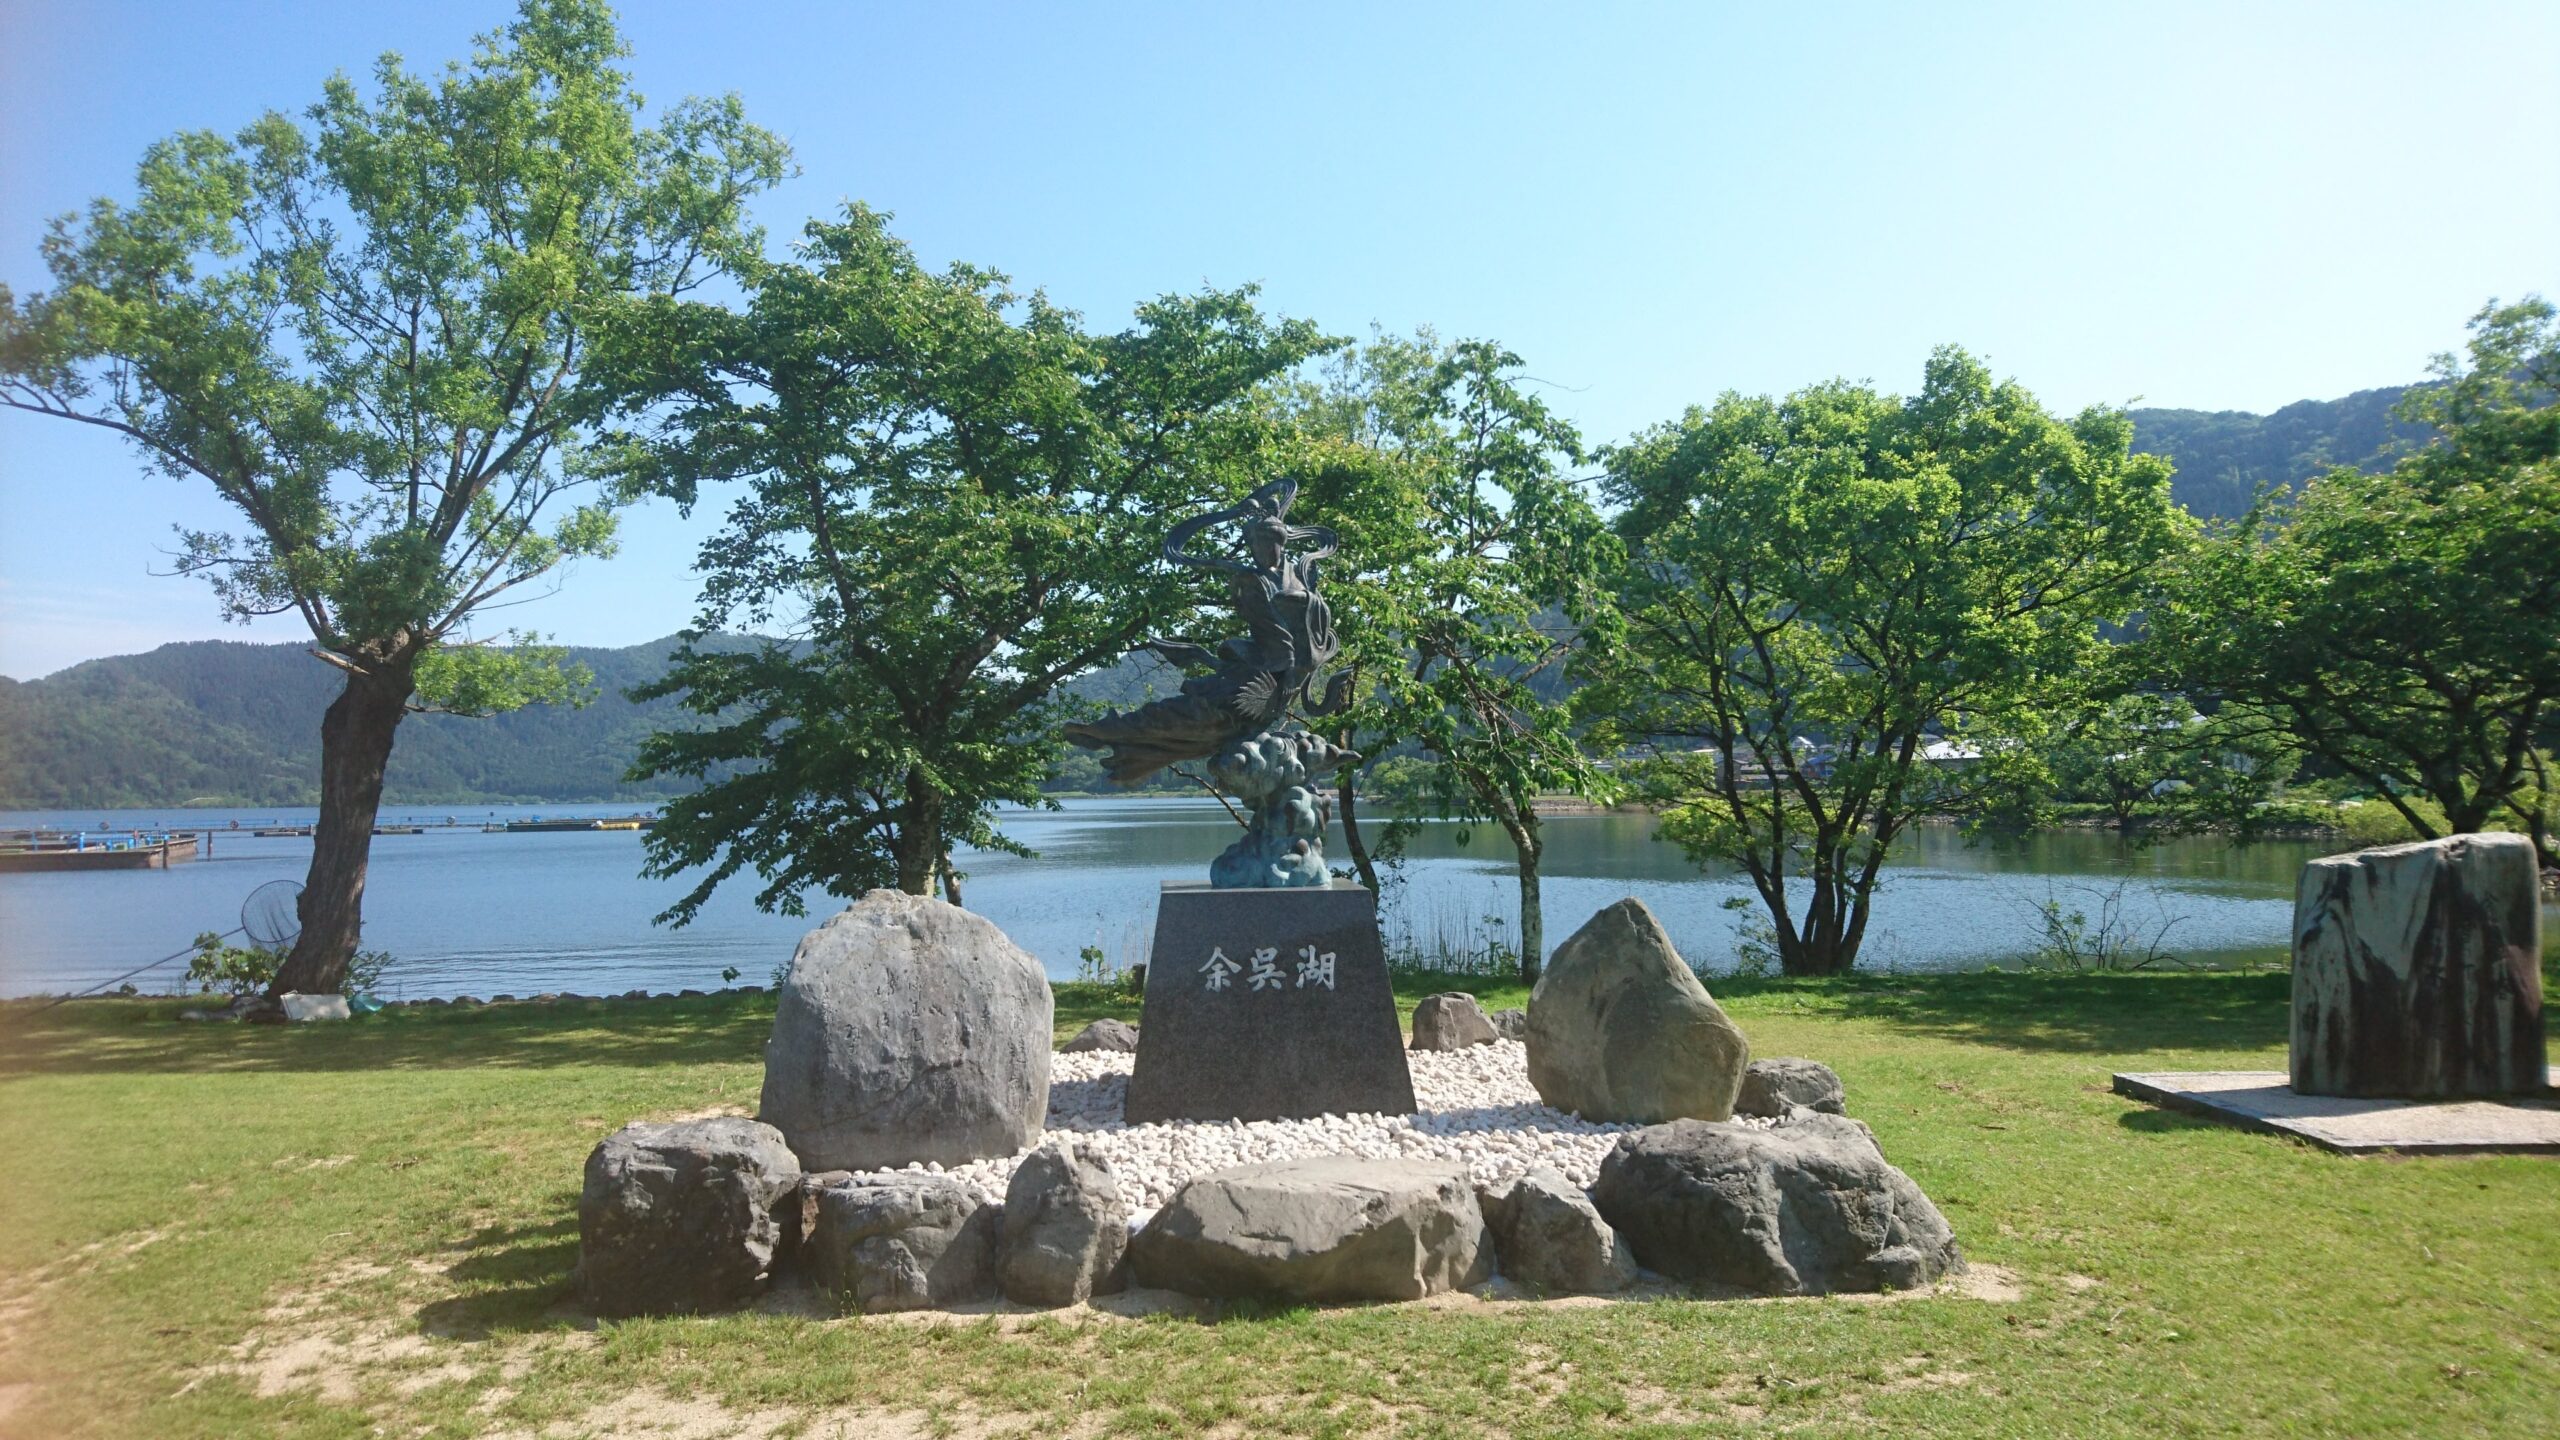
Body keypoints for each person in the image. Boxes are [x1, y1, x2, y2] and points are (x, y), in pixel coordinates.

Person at [1063, 476, 1349, 784]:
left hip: (1275, 679)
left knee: (1205, 720)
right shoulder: (1249, 578)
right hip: (1253, 671)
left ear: (1279, 543)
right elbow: (1183, 549)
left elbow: (1310, 636)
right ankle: (1114, 730)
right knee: (1194, 714)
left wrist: (1296, 668)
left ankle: (1117, 734)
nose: (1259, 550)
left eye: (1266, 543)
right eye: (1254, 544)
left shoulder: (1299, 582)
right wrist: (1228, 515)